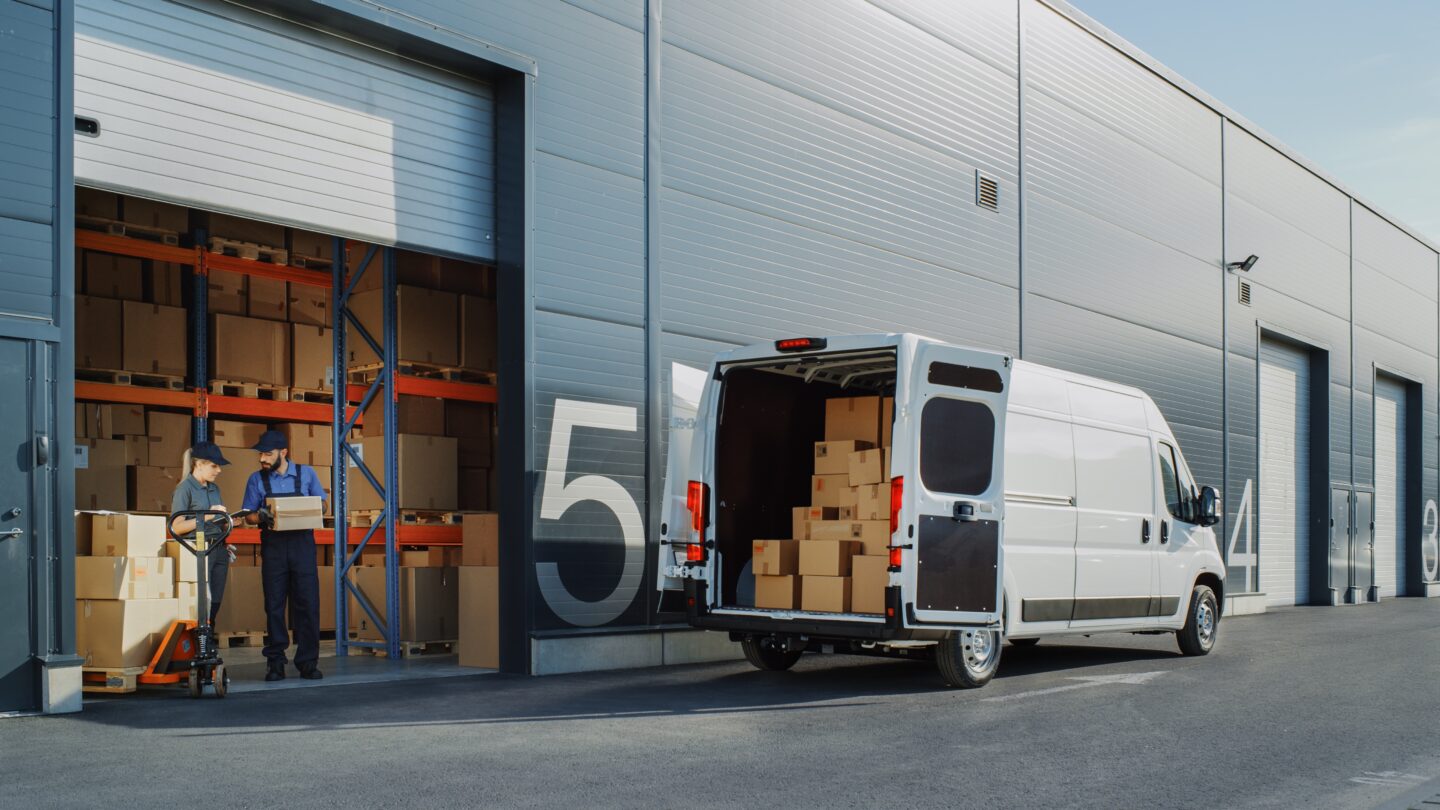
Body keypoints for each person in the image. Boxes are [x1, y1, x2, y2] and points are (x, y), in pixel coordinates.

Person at [242, 430, 328, 682]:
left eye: (267, 454)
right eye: (261, 454)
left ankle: (308, 662)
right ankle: (276, 662)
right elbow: (247, 515)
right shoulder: (256, 479)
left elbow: (323, 506)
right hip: (274, 547)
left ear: (283, 453)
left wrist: (310, 506)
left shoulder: (306, 474)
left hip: (302, 546)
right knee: (275, 605)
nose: (262, 459)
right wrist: (260, 517)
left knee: (308, 604)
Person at [169, 442, 235, 629]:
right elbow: (176, 527)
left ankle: (209, 636)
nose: (219, 470)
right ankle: (200, 640)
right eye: (214, 466)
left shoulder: (215, 489)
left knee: (215, 598)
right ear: (198, 464)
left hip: (218, 547)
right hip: (198, 549)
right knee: (202, 599)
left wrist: (229, 521)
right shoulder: (184, 489)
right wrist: (207, 515)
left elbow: (216, 518)